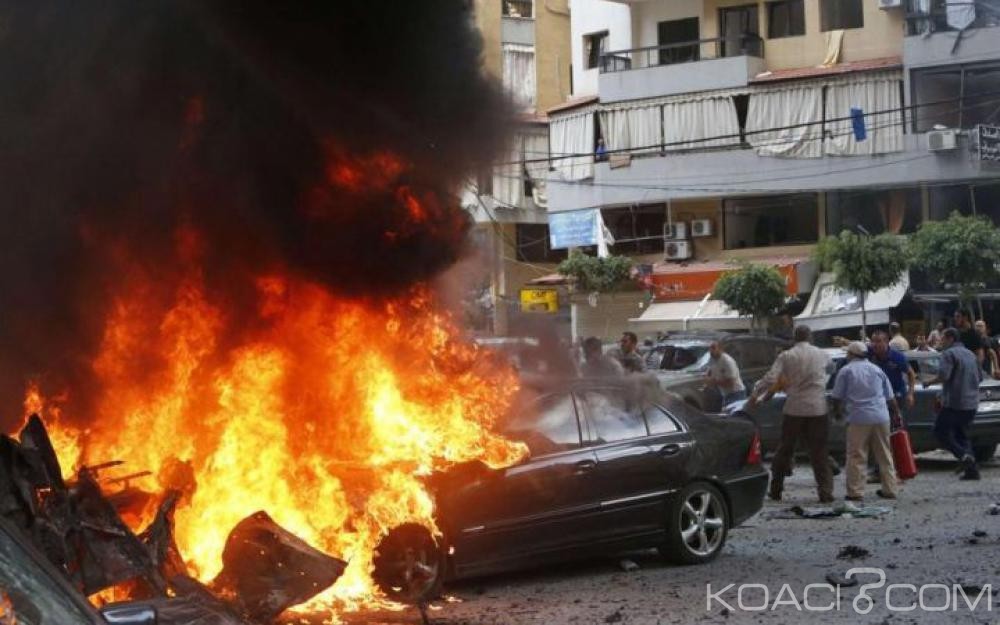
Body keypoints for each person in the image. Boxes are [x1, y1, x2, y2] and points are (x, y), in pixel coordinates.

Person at [749, 325, 834, 503]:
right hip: (818, 407)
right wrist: (820, 383)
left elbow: (771, 378)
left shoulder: (786, 356)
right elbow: (831, 368)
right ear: (809, 337)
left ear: (794, 338)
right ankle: (825, 492)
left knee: (785, 449)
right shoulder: (821, 353)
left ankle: (776, 489)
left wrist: (756, 394)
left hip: (794, 408)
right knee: (819, 451)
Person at [831, 341, 901, 501]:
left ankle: (855, 492)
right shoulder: (877, 370)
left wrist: (837, 413)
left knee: (857, 455)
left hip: (858, 418)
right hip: (881, 416)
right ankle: (890, 489)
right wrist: (896, 414)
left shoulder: (846, 371)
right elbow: (890, 397)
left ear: (852, 355)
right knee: (884, 454)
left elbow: (836, 397)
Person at [925, 328, 983, 480]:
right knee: (961, 434)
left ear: (950, 338)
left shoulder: (949, 354)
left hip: (955, 403)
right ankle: (972, 471)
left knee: (940, 432)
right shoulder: (970, 354)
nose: (940, 341)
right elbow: (980, 377)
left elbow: (944, 375)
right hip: (971, 403)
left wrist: (928, 382)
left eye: (943, 338)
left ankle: (963, 456)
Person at [705, 341, 747, 406]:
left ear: (720, 349)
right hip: (725, 394)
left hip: (736, 394)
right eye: (709, 348)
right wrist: (707, 378)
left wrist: (714, 382)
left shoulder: (727, 361)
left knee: (733, 415)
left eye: (713, 348)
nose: (711, 350)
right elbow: (709, 372)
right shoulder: (713, 360)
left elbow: (731, 383)